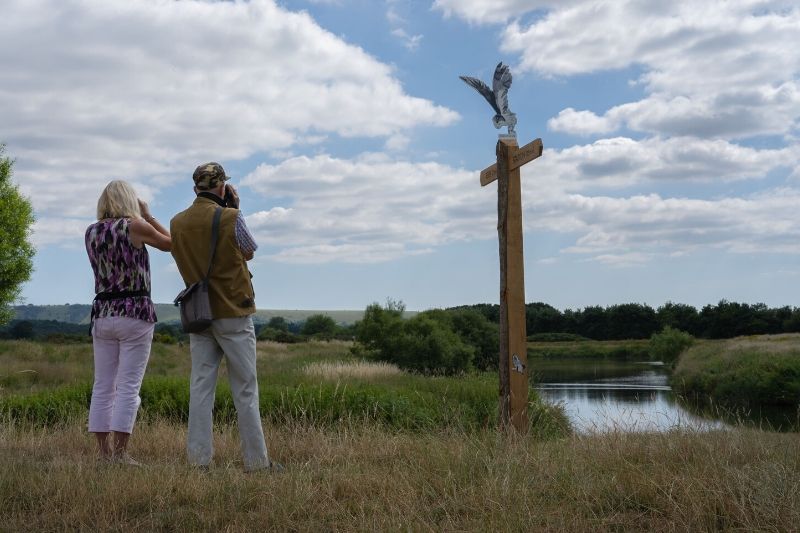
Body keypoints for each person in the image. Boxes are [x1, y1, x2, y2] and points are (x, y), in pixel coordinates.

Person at [170, 162, 279, 472]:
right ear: (222, 187)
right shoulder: (231, 216)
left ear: (195, 189)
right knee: (245, 388)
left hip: (199, 313)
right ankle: (257, 463)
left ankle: (198, 461)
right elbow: (249, 251)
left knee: (200, 388)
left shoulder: (177, 222)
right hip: (233, 310)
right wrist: (236, 209)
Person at [85, 180, 172, 465]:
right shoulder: (134, 225)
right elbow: (170, 244)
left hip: (103, 312)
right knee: (128, 387)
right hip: (135, 311)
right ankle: (121, 455)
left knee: (103, 385)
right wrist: (148, 215)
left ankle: (103, 454)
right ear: (129, 201)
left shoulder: (92, 232)